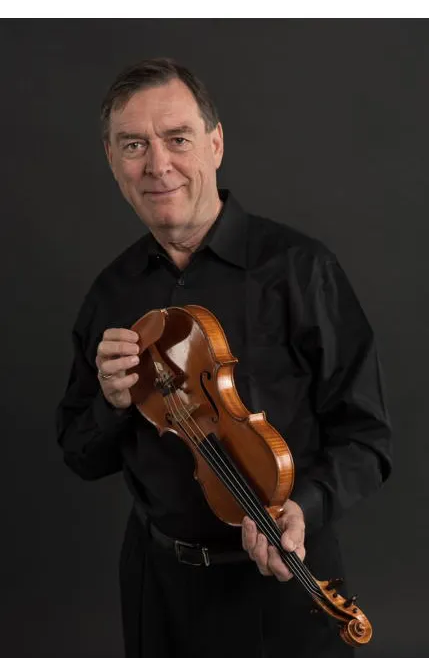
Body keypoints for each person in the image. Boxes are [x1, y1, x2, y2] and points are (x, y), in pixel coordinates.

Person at [56, 57, 392, 658]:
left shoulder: (299, 269)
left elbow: (367, 436)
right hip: (159, 590)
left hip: (282, 585)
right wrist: (111, 403)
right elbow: (81, 453)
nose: (158, 165)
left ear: (215, 144)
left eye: (177, 139)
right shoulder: (111, 295)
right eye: (134, 145)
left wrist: (304, 508)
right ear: (111, 160)